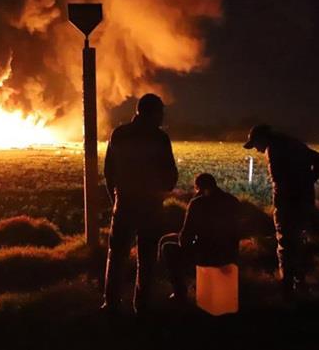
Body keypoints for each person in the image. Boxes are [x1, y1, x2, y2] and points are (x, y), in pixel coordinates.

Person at [101, 93, 178, 315]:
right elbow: (170, 174)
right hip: (151, 206)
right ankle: (142, 306)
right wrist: (162, 192)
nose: (162, 117)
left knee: (116, 256)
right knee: (147, 258)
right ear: (152, 113)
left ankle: (111, 304)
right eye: (160, 112)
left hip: (124, 203)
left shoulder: (120, 134)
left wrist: (115, 200)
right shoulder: (159, 138)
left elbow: (109, 172)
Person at [243, 124, 319, 299]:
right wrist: (308, 182)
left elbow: (279, 181)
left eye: (256, 144)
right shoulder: (294, 144)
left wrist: (285, 198)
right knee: (299, 242)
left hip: (288, 205)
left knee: (285, 244)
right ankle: (300, 283)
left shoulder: (273, 149)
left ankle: (287, 287)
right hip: (304, 201)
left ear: (263, 138)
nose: (257, 150)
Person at [159, 173, 240, 304]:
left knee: (167, 246)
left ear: (199, 188)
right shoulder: (233, 201)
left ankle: (180, 292)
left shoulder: (198, 203)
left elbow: (185, 238)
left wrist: (178, 237)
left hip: (206, 253)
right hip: (229, 253)